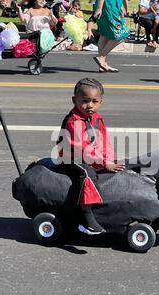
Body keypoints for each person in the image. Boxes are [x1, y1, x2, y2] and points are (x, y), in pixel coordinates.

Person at [56, 78, 125, 235]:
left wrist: (110, 159)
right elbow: (82, 147)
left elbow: (104, 141)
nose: (90, 106)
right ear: (75, 100)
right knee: (87, 174)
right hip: (70, 157)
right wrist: (102, 162)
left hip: (89, 155)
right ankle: (86, 217)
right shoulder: (74, 122)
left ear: (100, 101)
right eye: (85, 101)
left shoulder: (97, 118)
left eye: (95, 101)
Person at [92, 0, 130, 73]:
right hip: (109, 7)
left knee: (105, 34)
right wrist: (99, 7)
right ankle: (101, 57)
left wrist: (122, 6)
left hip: (110, 6)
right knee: (121, 34)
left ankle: (103, 65)